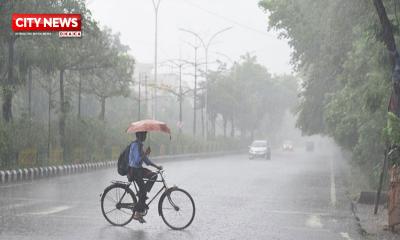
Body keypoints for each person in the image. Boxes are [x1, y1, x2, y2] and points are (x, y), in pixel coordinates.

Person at [128, 131, 162, 223]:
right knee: (143, 192)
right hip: (134, 171)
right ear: (138, 135)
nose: (145, 136)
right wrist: (145, 153)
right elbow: (137, 161)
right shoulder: (135, 145)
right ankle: (137, 213)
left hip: (139, 170)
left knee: (154, 175)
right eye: (143, 135)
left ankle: (142, 195)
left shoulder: (140, 145)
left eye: (145, 135)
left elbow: (146, 161)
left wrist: (156, 166)